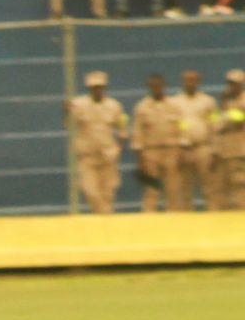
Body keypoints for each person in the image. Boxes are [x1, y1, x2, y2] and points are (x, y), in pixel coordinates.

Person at [66, 70, 127, 214]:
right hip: (87, 157)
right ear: (89, 88)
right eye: (94, 87)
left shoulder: (114, 106)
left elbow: (122, 130)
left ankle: (105, 224)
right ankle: (104, 217)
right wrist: (66, 111)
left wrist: (118, 148)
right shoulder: (78, 105)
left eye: (100, 87)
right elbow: (69, 124)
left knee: (108, 193)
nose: (97, 90)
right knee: (90, 191)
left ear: (105, 88)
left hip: (108, 156)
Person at [132, 73, 180, 210]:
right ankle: (149, 219)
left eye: (159, 85)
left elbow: (182, 127)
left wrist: (181, 148)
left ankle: (174, 218)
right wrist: (140, 158)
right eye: (153, 86)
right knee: (151, 189)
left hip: (171, 150)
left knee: (173, 188)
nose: (156, 88)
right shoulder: (142, 107)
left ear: (164, 86)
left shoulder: (174, 105)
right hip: (151, 152)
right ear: (149, 87)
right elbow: (137, 133)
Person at [173, 69, 219, 209]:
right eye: (187, 80)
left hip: (203, 148)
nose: (190, 83)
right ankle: (186, 223)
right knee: (184, 189)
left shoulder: (208, 102)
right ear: (183, 82)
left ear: (198, 82)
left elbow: (214, 126)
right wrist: (177, 150)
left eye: (193, 80)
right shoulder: (174, 102)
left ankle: (214, 218)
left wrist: (215, 150)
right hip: (183, 150)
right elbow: (173, 127)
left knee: (210, 187)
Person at [217, 70, 245, 207]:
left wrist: (228, 112)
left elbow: (239, 119)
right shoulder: (227, 102)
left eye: (235, 84)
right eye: (230, 84)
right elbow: (219, 125)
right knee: (224, 185)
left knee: (241, 184)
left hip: (241, 150)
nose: (232, 87)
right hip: (227, 150)